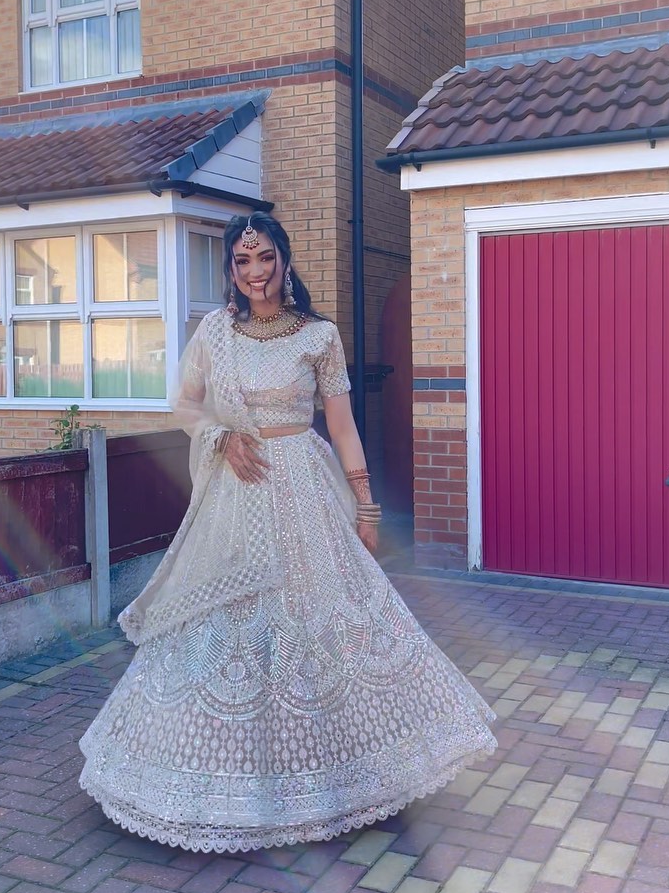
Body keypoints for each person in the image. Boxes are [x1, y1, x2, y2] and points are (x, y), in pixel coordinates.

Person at [79, 213, 496, 853]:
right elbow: (185, 404)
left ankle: (345, 772)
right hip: (237, 492)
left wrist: (366, 506)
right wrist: (220, 436)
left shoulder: (318, 336)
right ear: (230, 269)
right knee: (227, 622)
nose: (256, 273)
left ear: (285, 260)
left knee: (323, 615)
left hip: (304, 487)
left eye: (266, 258)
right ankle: (218, 780)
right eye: (242, 261)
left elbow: (343, 426)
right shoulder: (215, 333)